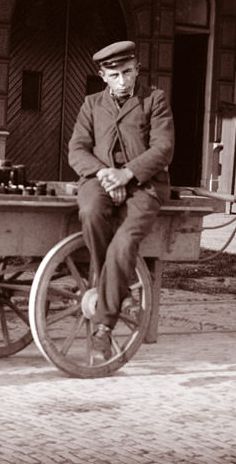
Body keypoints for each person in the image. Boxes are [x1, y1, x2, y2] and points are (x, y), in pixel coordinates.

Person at [67, 40, 175, 354]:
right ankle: (121, 291)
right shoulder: (91, 104)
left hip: (144, 186)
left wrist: (126, 174)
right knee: (89, 211)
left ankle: (103, 326)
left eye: (128, 72)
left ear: (137, 69)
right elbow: (77, 149)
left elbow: (163, 148)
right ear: (103, 75)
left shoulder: (154, 100)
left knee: (125, 241)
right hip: (100, 181)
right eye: (114, 75)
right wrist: (104, 174)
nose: (123, 81)